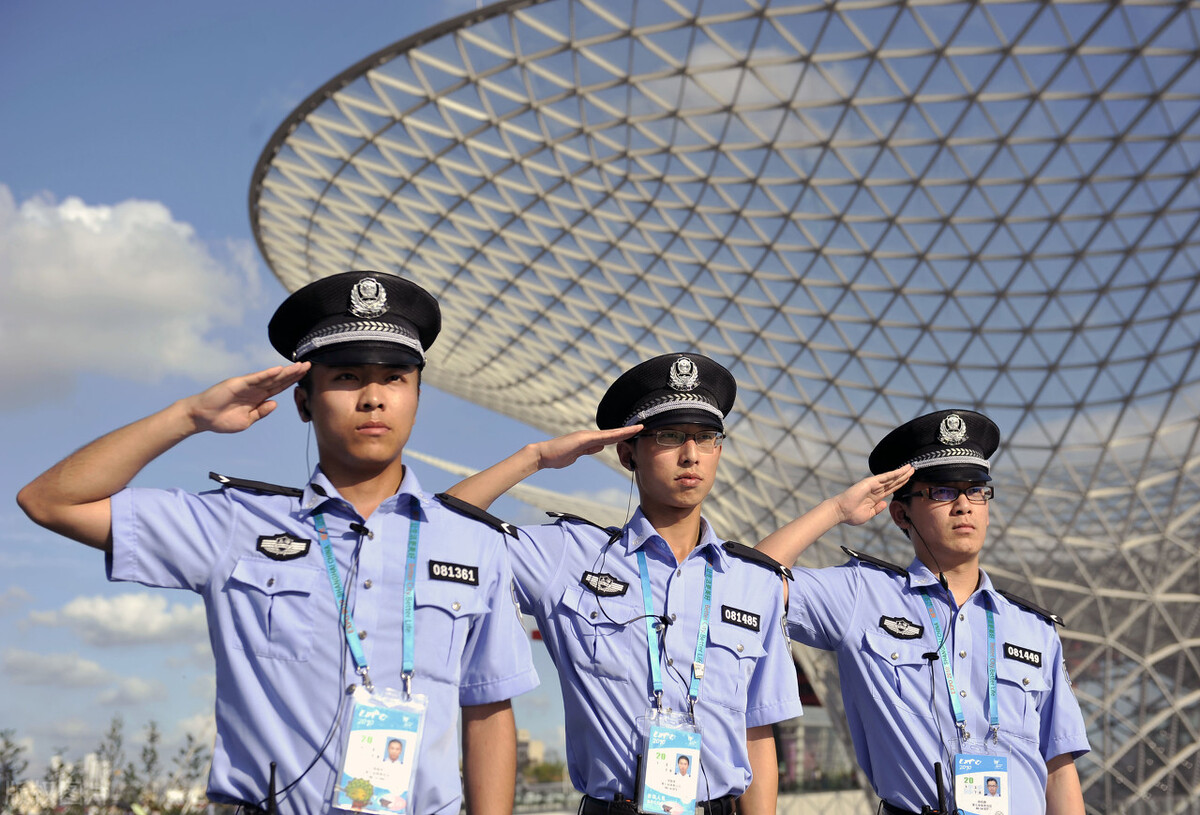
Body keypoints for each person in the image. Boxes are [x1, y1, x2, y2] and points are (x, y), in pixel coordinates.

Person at [17, 271, 538, 815]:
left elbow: (488, 708)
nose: (373, 399)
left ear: (416, 395)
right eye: (346, 376)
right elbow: (51, 501)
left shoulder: (474, 543)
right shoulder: (235, 524)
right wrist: (190, 416)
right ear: (303, 401)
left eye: (395, 378)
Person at [446, 353, 804, 815]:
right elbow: (447, 531)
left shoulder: (753, 581)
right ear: (627, 452)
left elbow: (758, 731)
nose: (691, 454)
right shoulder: (567, 557)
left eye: (706, 437)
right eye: (670, 436)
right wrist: (534, 458)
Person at [755, 409, 1089, 815]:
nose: (964, 506)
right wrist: (837, 511)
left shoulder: (1034, 630)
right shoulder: (862, 596)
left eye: (977, 490)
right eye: (942, 492)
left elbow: (1059, 770)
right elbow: (749, 583)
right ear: (901, 513)